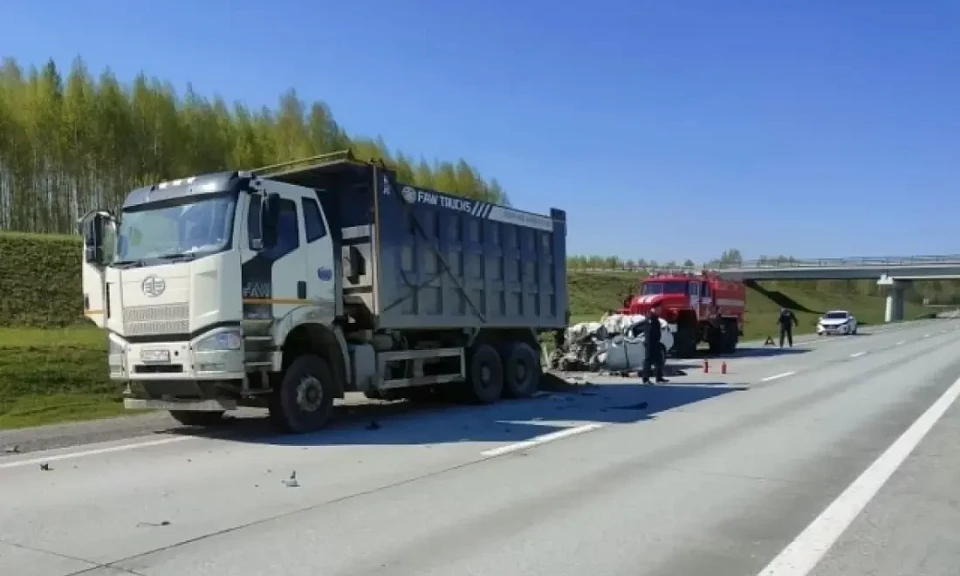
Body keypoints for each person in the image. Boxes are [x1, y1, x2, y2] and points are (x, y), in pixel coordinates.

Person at [642, 302, 669, 384]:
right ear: (654, 308)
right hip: (650, 342)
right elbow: (649, 332)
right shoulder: (650, 317)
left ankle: (659, 377)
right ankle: (646, 379)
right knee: (648, 360)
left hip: (656, 342)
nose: (660, 311)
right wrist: (650, 342)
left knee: (658, 360)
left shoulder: (655, 317)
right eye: (659, 309)